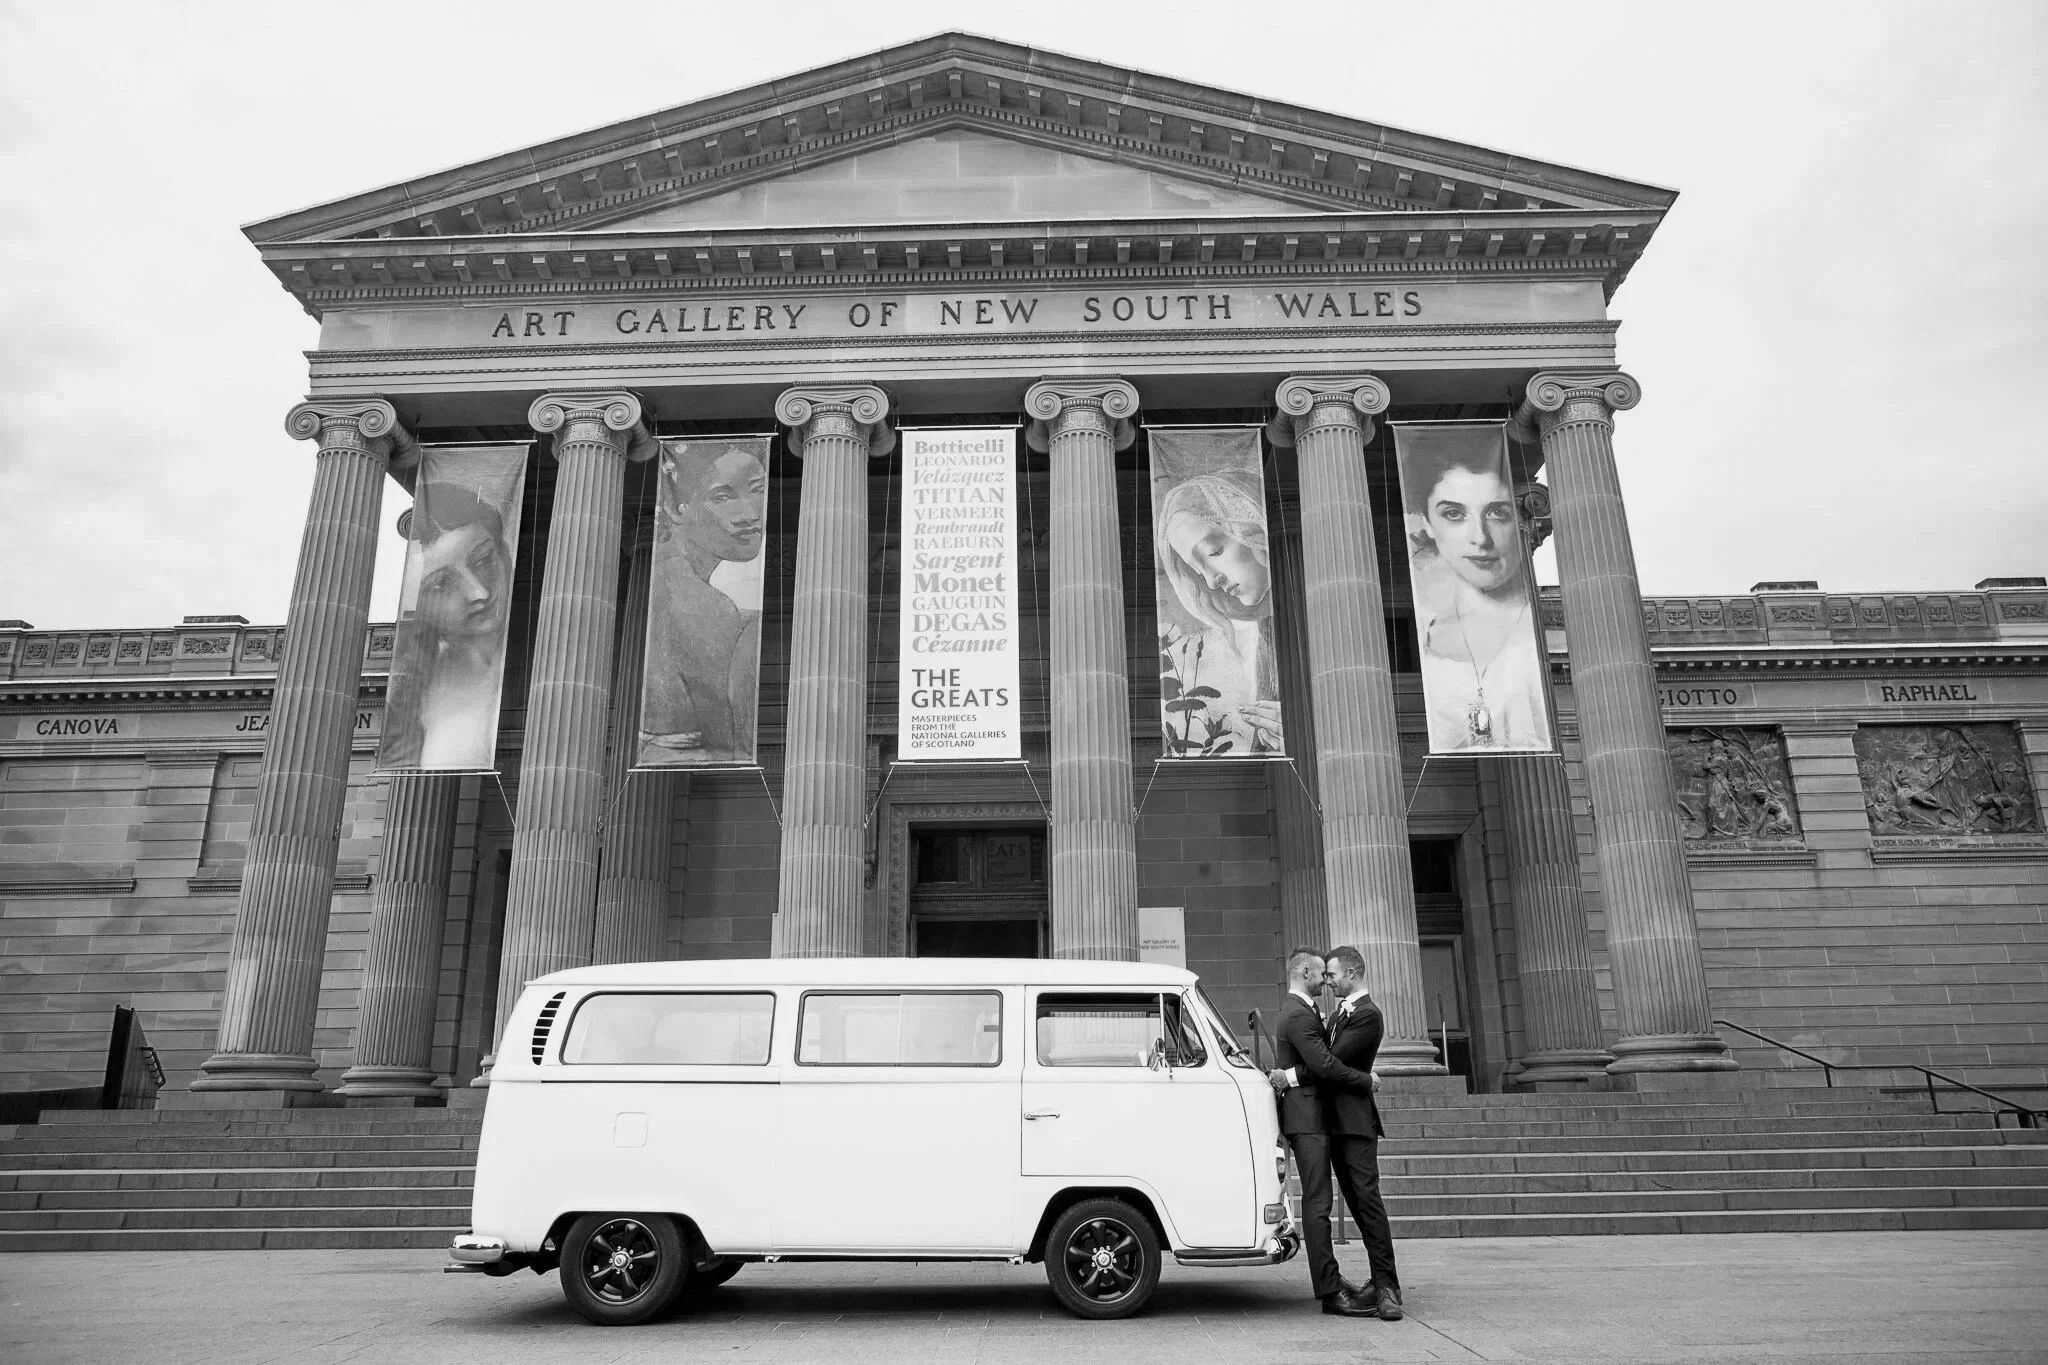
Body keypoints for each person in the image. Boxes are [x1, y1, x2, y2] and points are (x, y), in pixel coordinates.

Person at [1401, 442, 1549, 752]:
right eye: (1454, 513)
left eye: (1496, 511)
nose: (1481, 537)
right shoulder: (1430, 629)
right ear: (1426, 523)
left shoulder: (1524, 639)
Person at [1266, 948, 1379, 1317]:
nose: (1326, 982)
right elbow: (1325, 1064)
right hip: (1307, 1118)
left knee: (1321, 1204)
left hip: (1315, 1116)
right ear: (1303, 972)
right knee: (1318, 1206)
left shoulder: (1307, 1012)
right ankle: (1330, 1292)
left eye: (1331, 976)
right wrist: (1366, 1080)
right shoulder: (1298, 1014)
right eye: (1321, 975)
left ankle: (1333, 1280)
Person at [641, 443, 768, 764]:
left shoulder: (672, 580)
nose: (750, 515)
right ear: (676, 507)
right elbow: (731, 745)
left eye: (758, 490)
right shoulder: (701, 605)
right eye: (722, 497)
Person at [379, 480, 515, 770]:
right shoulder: (416, 692)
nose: (478, 592)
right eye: (441, 585)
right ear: (420, 604)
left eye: (483, 561)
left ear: (503, 553)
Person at [1153, 471, 1283, 754]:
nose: (1212, 582)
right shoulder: (1265, 636)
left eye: (1213, 552)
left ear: (1250, 527)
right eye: (1199, 571)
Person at [1321, 944, 1403, 1319]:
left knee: (1368, 1202)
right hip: (1334, 1121)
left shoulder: (1368, 1014)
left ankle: (1387, 1287)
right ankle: (1378, 1279)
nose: (1329, 981)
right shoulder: (1341, 1012)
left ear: (1351, 973)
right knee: (1356, 1202)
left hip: (1355, 1123)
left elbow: (1331, 1060)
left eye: (1333, 974)